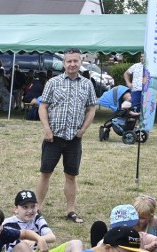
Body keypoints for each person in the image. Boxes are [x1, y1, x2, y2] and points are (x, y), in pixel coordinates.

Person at [35, 48, 97, 224]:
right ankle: (37, 208)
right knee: (45, 173)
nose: (72, 64)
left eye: (75, 61)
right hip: (53, 137)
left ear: (80, 62)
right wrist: (47, 129)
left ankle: (70, 210)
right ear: (64, 63)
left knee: (71, 175)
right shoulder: (53, 83)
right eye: (69, 61)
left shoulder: (87, 84)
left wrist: (83, 130)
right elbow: (43, 106)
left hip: (74, 139)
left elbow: (91, 108)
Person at [3, 190, 84, 252]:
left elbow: (52, 237)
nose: (30, 210)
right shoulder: (8, 223)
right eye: (25, 207)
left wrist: (36, 240)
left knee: (76, 243)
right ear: (15, 209)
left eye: (33, 206)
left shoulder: (37, 217)